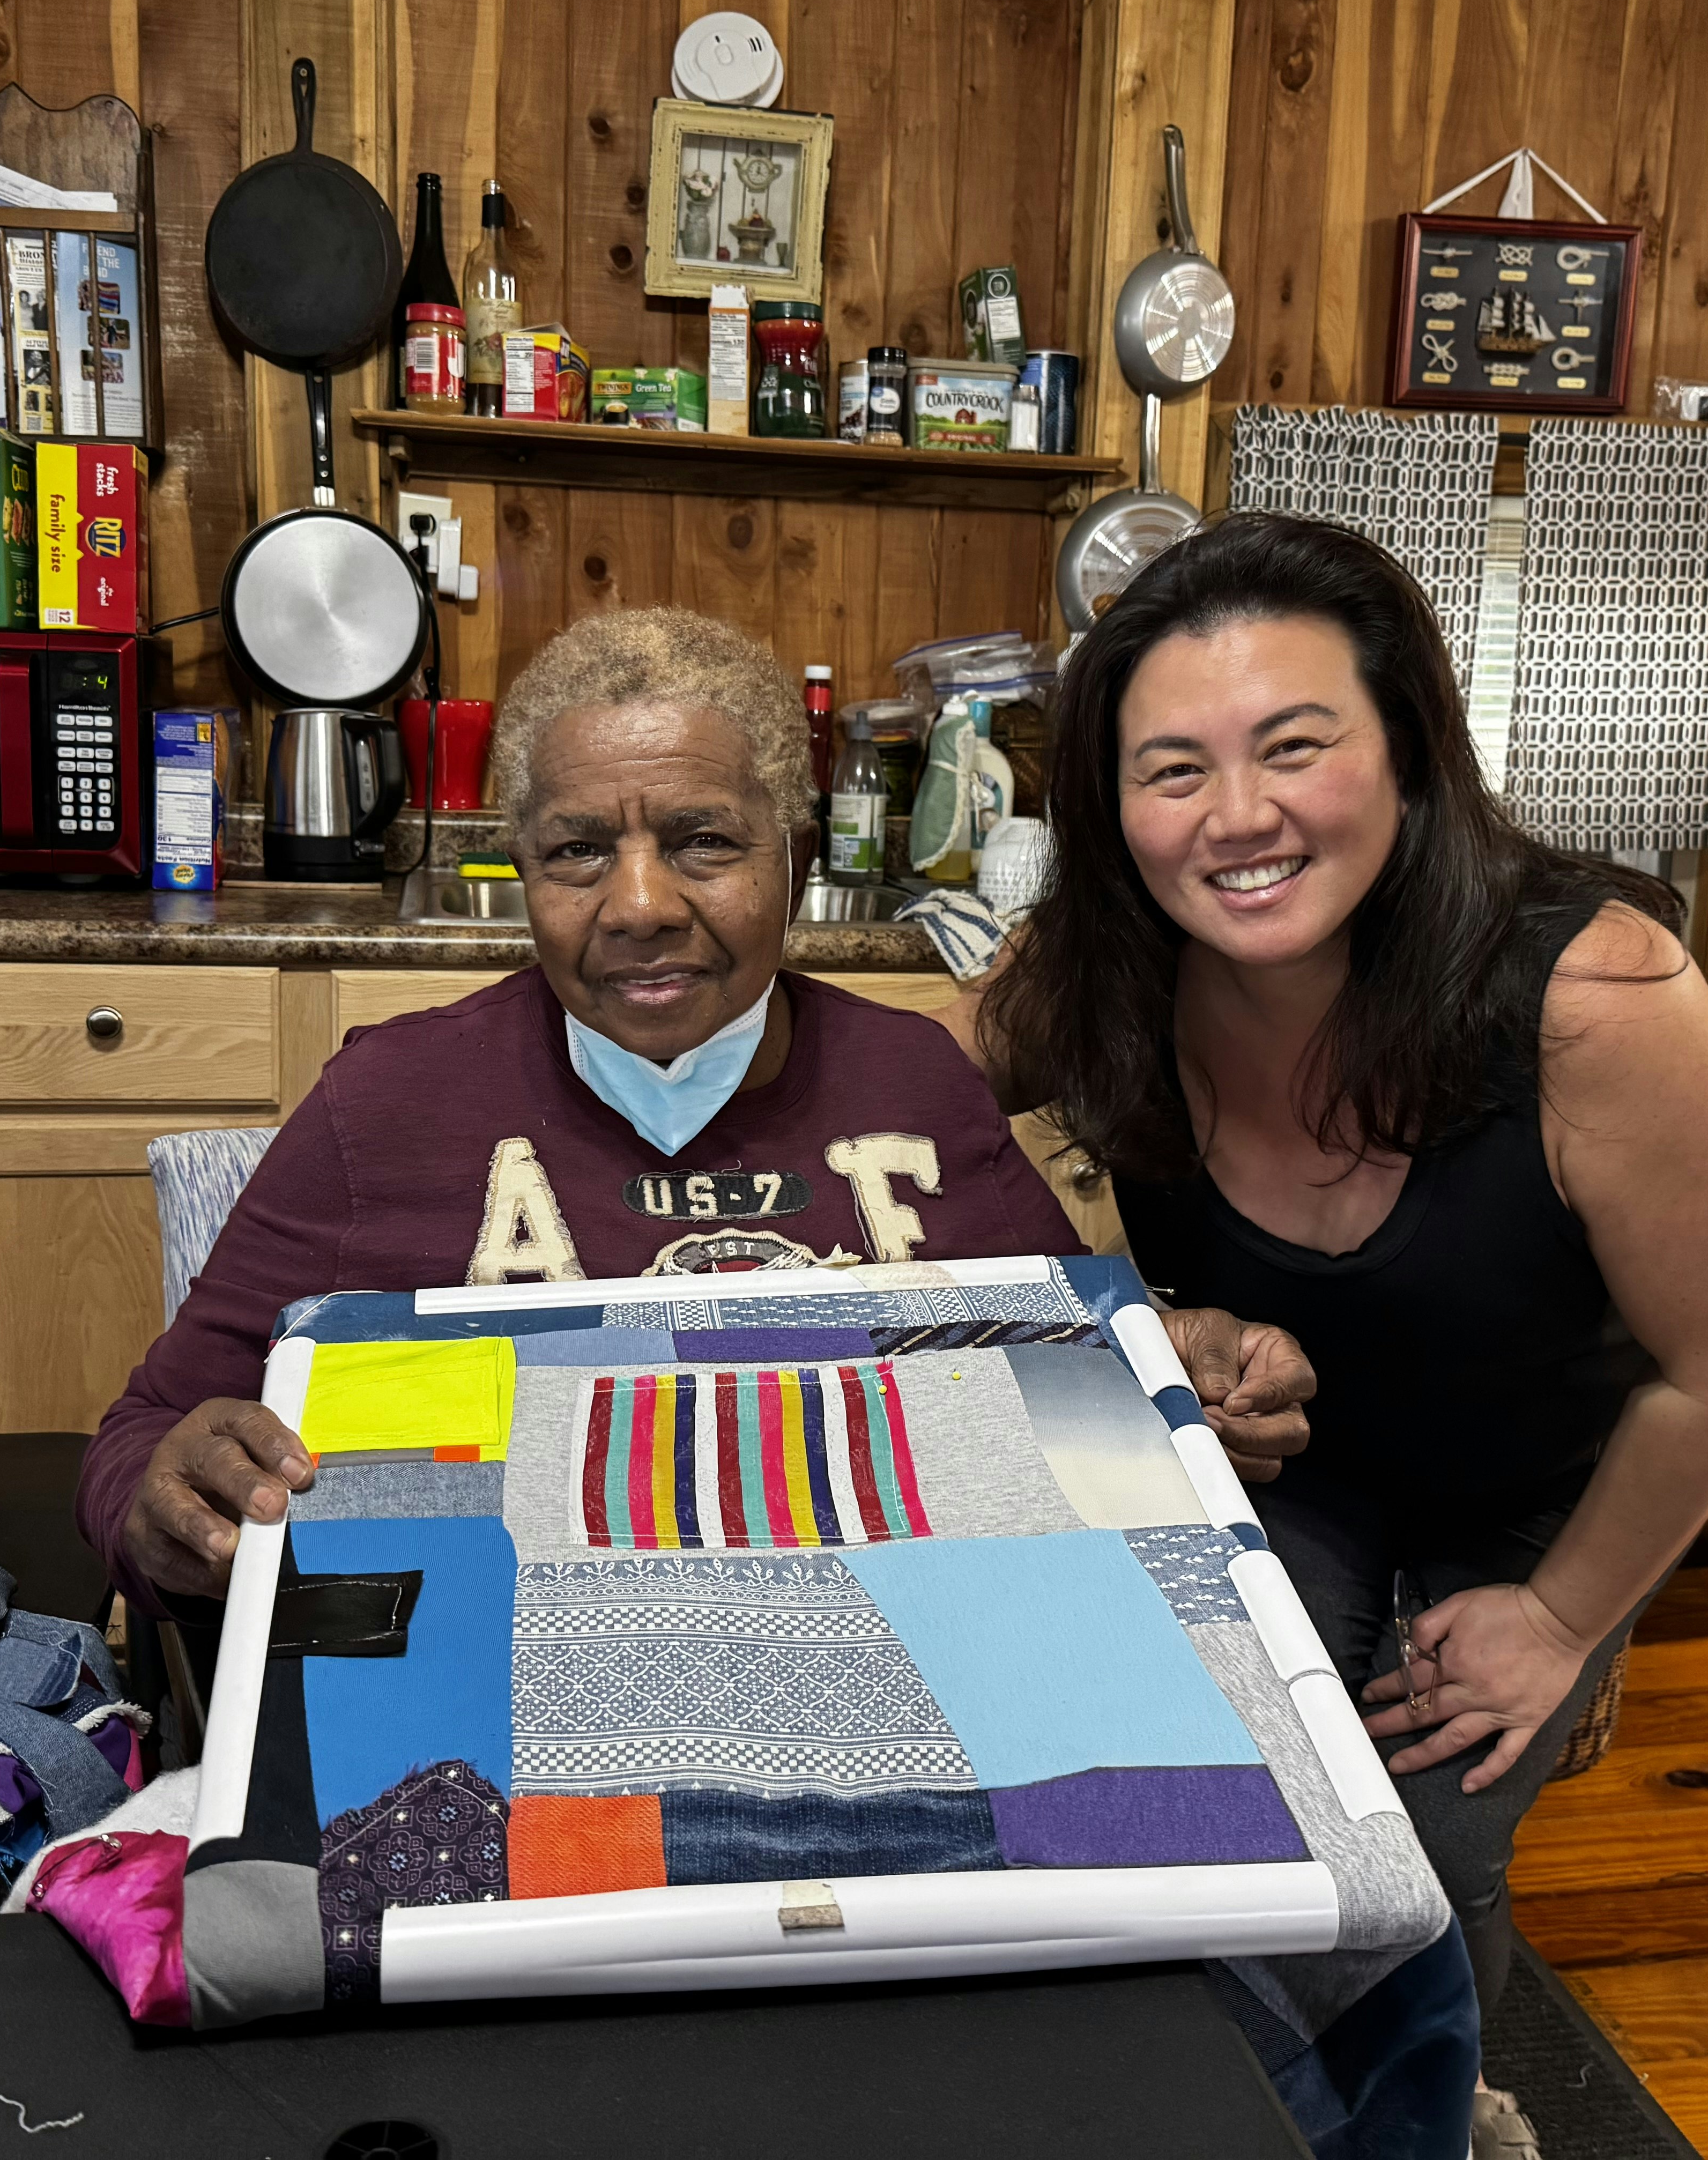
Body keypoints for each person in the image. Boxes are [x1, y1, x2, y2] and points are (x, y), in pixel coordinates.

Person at [957, 515, 1708, 2157]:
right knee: (1194, 1779)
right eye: (1174, 768)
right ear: (1111, 809)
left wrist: (1559, 1616)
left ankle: (1438, 2116)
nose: (1237, 814)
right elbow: (894, 1109)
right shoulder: (1095, 968)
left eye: (1294, 745)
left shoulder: (1599, 997)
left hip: (1555, 1487)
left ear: (1408, 750)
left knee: (1424, 1843)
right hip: (1297, 1471)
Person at [76, 604, 1313, 1606]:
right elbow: (144, 1437)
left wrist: (1178, 1371)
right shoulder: (388, 1104)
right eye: (576, 852)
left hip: (898, 1651)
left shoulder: (917, 1085)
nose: (638, 906)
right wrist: (166, 1502)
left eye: (703, 841)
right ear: (523, 869)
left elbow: (1077, 1382)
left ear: (797, 853)